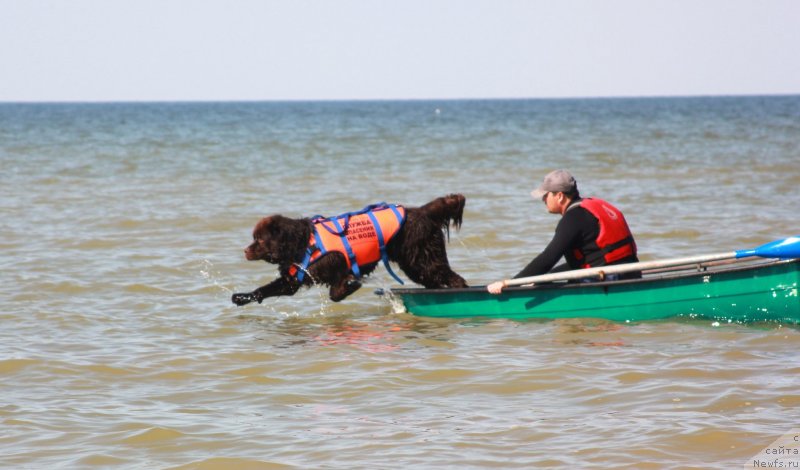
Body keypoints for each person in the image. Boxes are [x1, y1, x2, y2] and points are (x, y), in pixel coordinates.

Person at [487, 169, 639, 294]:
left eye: (546, 195)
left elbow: (548, 257)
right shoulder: (594, 207)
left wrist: (509, 284)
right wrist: (541, 277)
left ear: (559, 196)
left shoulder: (573, 218)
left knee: (542, 277)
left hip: (609, 281)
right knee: (543, 277)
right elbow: (590, 260)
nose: (543, 200)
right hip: (632, 274)